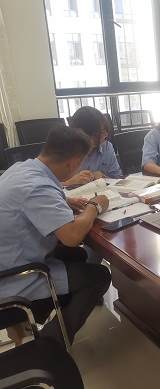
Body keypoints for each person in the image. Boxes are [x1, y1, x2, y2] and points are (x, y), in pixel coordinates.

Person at [0, 125, 111, 345]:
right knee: (99, 276)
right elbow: (71, 237)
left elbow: (31, 199)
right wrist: (94, 206)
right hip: (12, 278)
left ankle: (34, 323)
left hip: (8, 257)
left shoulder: (22, 168)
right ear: (73, 163)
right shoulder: (37, 188)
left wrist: (63, 201)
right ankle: (52, 342)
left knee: (78, 256)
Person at [62, 106, 121, 188]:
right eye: (96, 134)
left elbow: (116, 177)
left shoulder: (107, 147)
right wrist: (70, 181)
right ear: (82, 134)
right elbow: (49, 184)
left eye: (103, 132)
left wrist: (103, 176)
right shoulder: (64, 150)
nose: (102, 137)